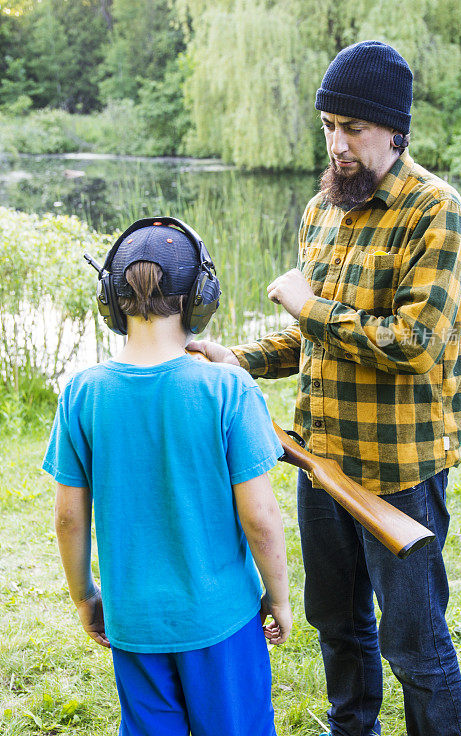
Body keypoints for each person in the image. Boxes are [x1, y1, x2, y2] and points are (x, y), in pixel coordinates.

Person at [191, 41, 461, 736]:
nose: (337, 144)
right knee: (337, 627)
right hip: (318, 461)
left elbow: (412, 344)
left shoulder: (435, 210)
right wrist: (240, 359)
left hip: (398, 471)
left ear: (393, 131)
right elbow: (317, 340)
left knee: (415, 646)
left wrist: (304, 305)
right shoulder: (322, 209)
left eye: (352, 128)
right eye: (327, 127)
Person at [43, 217, 292, 736]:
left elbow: (69, 519)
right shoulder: (228, 389)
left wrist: (86, 597)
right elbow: (262, 519)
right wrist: (279, 597)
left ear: (111, 299)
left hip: (134, 622)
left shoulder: (82, 392)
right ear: (200, 298)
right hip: (221, 619)